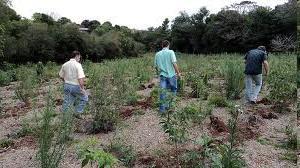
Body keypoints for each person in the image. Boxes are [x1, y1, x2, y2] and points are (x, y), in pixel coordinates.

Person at [154, 40, 181, 112]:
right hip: (171, 75)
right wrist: (178, 73)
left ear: (162, 45)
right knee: (173, 90)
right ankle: (171, 107)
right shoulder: (171, 52)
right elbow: (174, 63)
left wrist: (158, 74)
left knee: (163, 91)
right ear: (168, 45)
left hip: (162, 75)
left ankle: (162, 110)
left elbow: (156, 66)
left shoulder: (157, 54)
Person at [59, 51, 88, 118]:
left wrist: (65, 81)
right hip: (75, 86)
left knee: (67, 101)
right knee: (84, 98)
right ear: (77, 56)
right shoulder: (78, 65)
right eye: (79, 57)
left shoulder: (65, 64)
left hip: (67, 85)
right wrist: (82, 89)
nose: (79, 59)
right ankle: (78, 112)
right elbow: (80, 78)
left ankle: (65, 117)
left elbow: (61, 76)